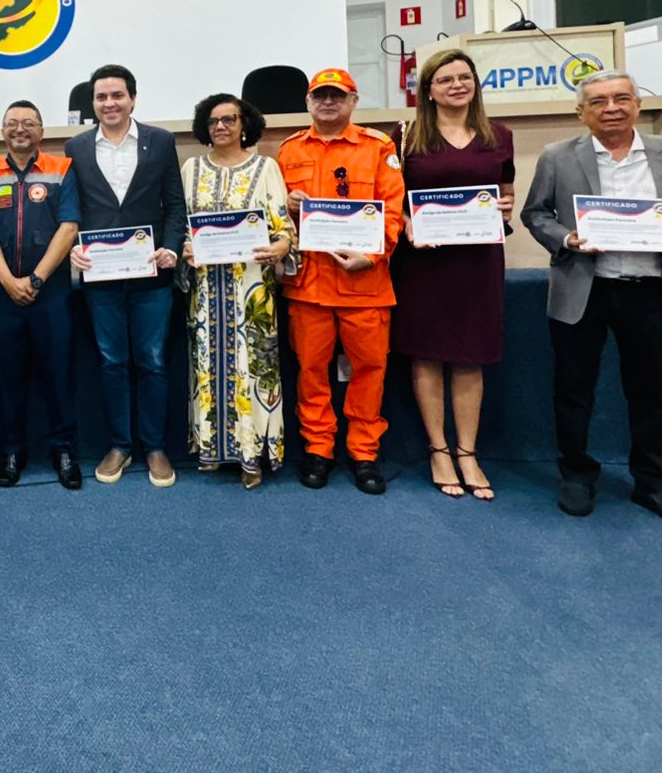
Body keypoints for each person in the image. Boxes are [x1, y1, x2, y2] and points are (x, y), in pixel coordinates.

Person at [520, 70, 662, 532]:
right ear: (581, 112)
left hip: (650, 289)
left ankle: (653, 482)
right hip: (583, 288)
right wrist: (566, 237)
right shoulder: (556, 157)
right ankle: (576, 474)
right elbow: (534, 214)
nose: (611, 108)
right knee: (572, 389)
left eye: (621, 98)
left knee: (650, 393)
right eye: (599, 101)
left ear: (637, 104)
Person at [389, 50, 515, 500]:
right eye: (445, 79)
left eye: (465, 77)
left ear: (475, 83)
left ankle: (468, 452)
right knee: (426, 354)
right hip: (425, 261)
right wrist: (406, 226)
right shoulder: (405, 136)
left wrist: (505, 206)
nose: (457, 85)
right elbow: (392, 199)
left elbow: (506, 191)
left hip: (478, 261)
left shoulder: (499, 135)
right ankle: (438, 449)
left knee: (469, 356)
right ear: (428, 89)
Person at [276, 69, 405, 495]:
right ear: (309, 102)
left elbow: (392, 211)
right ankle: (318, 449)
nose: (328, 102)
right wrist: (289, 208)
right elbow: (275, 220)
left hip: (364, 284)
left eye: (337, 96)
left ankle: (364, 452)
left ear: (353, 101)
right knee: (311, 372)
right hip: (309, 286)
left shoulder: (377, 147)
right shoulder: (289, 150)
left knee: (369, 371)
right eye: (320, 96)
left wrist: (372, 256)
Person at [66, 64, 186, 488]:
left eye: (117, 95)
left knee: (152, 361)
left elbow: (174, 204)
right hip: (101, 278)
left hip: (152, 276)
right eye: (101, 97)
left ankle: (154, 446)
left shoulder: (160, 141)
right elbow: (71, 211)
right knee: (112, 362)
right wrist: (75, 248)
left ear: (132, 98)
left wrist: (171, 246)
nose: (109, 103)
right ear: (92, 103)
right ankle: (120, 444)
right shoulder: (76, 147)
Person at [178, 94, 294, 490]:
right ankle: (212, 448)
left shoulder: (266, 168)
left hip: (252, 289)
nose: (221, 127)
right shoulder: (191, 168)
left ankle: (253, 454)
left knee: (254, 368)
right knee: (208, 367)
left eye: (229, 119)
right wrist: (185, 247)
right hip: (208, 291)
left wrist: (280, 247)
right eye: (213, 121)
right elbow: (183, 227)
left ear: (245, 124)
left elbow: (284, 231)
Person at [0, 100, 83, 490]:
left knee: (58, 374)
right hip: (3, 293)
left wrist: (35, 280)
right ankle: (11, 451)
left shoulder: (61, 168)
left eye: (28, 123)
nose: (19, 129)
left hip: (51, 291)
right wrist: (7, 281)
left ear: (40, 131)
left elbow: (69, 227)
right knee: (8, 376)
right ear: (2, 130)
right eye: (11, 123)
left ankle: (64, 450)